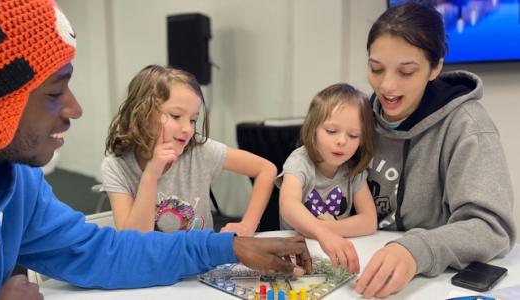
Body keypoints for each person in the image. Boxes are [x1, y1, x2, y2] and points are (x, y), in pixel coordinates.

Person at [0, 1, 312, 299]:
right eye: (56, 93)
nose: (75, 109)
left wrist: (231, 247)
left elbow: (104, 254)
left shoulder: (19, 185)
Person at [354, 2, 516, 298]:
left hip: (428, 282)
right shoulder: (357, 118)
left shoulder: (468, 125)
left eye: (406, 72)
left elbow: (492, 228)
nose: (387, 85)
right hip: (360, 273)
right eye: (376, 68)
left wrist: (417, 250)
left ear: (436, 67)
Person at [100, 64, 276, 235]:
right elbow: (132, 243)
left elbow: (266, 169)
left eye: (193, 120)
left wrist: (248, 224)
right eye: (176, 116)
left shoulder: (200, 150)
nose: (187, 129)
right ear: (142, 114)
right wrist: (151, 174)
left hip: (201, 263)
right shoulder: (116, 166)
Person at [277, 83, 377, 275]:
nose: (341, 141)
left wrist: (329, 229)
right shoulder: (299, 162)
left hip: (336, 255)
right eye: (331, 131)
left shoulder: (353, 169)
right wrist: (323, 233)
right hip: (297, 256)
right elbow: (288, 206)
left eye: (353, 135)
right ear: (313, 129)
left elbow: (369, 221)